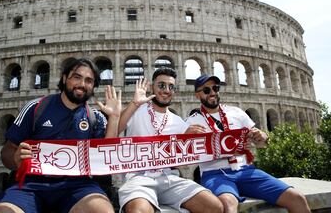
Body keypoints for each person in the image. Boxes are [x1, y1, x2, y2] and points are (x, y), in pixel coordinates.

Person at [0, 58, 121, 213]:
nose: (82, 84)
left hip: (78, 187)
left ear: (93, 86)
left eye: (89, 81)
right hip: (30, 186)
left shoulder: (95, 117)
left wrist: (114, 117)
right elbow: (7, 152)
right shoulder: (36, 107)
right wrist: (15, 159)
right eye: (77, 77)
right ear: (64, 78)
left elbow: (104, 161)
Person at [186, 74, 311, 213]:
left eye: (215, 88)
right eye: (207, 90)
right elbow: (185, 155)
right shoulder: (192, 122)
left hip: (246, 170)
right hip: (215, 174)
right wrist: (186, 137)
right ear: (197, 95)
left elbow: (261, 142)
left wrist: (262, 136)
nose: (213, 92)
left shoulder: (236, 112)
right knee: (228, 205)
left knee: (297, 197)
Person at [117, 67, 223, 213]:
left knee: (214, 206)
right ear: (152, 87)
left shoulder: (179, 122)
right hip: (138, 177)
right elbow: (114, 129)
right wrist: (134, 104)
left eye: (171, 86)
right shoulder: (137, 110)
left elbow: (189, 156)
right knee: (139, 211)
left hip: (169, 178)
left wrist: (187, 139)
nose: (166, 90)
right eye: (161, 85)